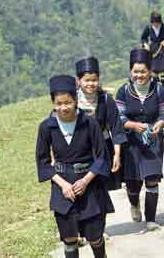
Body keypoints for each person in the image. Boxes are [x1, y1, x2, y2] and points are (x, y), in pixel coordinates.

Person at [36, 75, 113, 258]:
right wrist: (63, 185)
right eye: (59, 103)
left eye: (68, 102)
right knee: (69, 239)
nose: (64, 107)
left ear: (76, 100)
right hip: (63, 189)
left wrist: (86, 181)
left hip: (90, 186)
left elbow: (102, 157)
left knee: (95, 237)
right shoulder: (47, 127)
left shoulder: (89, 123)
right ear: (53, 103)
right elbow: (43, 162)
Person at [115, 49, 164, 232]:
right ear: (130, 71)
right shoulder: (123, 91)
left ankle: (151, 220)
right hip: (131, 143)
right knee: (133, 183)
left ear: (150, 71)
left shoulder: (159, 89)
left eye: (143, 71)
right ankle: (134, 204)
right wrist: (132, 125)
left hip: (153, 141)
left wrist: (160, 124)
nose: (139, 75)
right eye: (135, 71)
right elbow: (118, 117)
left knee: (152, 179)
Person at [75, 56, 127, 191]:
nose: (90, 84)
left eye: (94, 80)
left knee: (102, 189)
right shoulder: (72, 100)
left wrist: (116, 155)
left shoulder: (106, 99)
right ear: (78, 81)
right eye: (86, 80)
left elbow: (116, 128)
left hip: (103, 149)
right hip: (79, 151)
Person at [141, 11, 164, 90]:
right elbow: (143, 38)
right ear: (151, 22)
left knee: (163, 71)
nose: (156, 25)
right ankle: (158, 89)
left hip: (163, 50)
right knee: (154, 72)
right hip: (153, 51)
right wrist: (145, 45)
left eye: (157, 23)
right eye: (154, 23)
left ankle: (163, 90)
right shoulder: (148, 28)